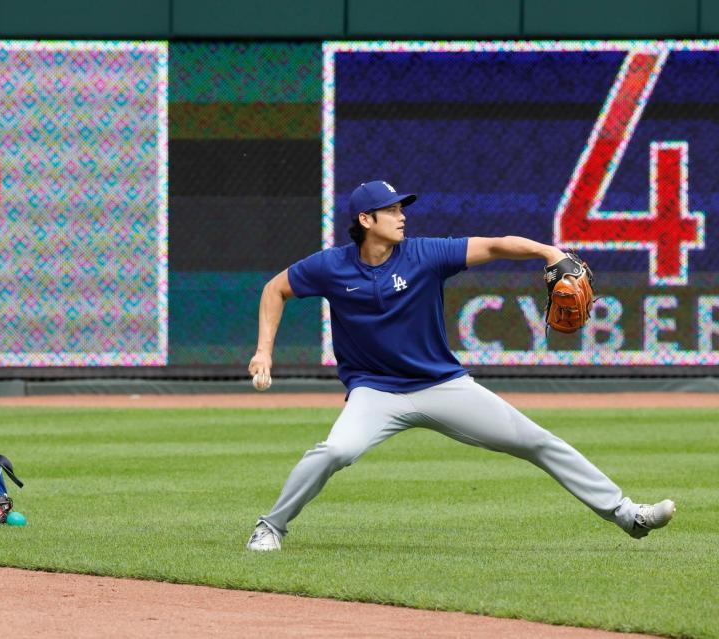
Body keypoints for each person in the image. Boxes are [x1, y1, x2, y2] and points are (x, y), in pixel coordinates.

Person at [245, 180, 675, 551]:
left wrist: (548, 251)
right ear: (365, 220)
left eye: (401, 208)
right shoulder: (330, 266)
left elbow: (494, 245)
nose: (401, 216)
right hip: (375, 391)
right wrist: (264, 350)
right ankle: (269, 527)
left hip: (442, 385)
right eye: (390, 210)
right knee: (336, 450)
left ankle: (626, 514)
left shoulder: (425, 255)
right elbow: (274, 289)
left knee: (536, 441)